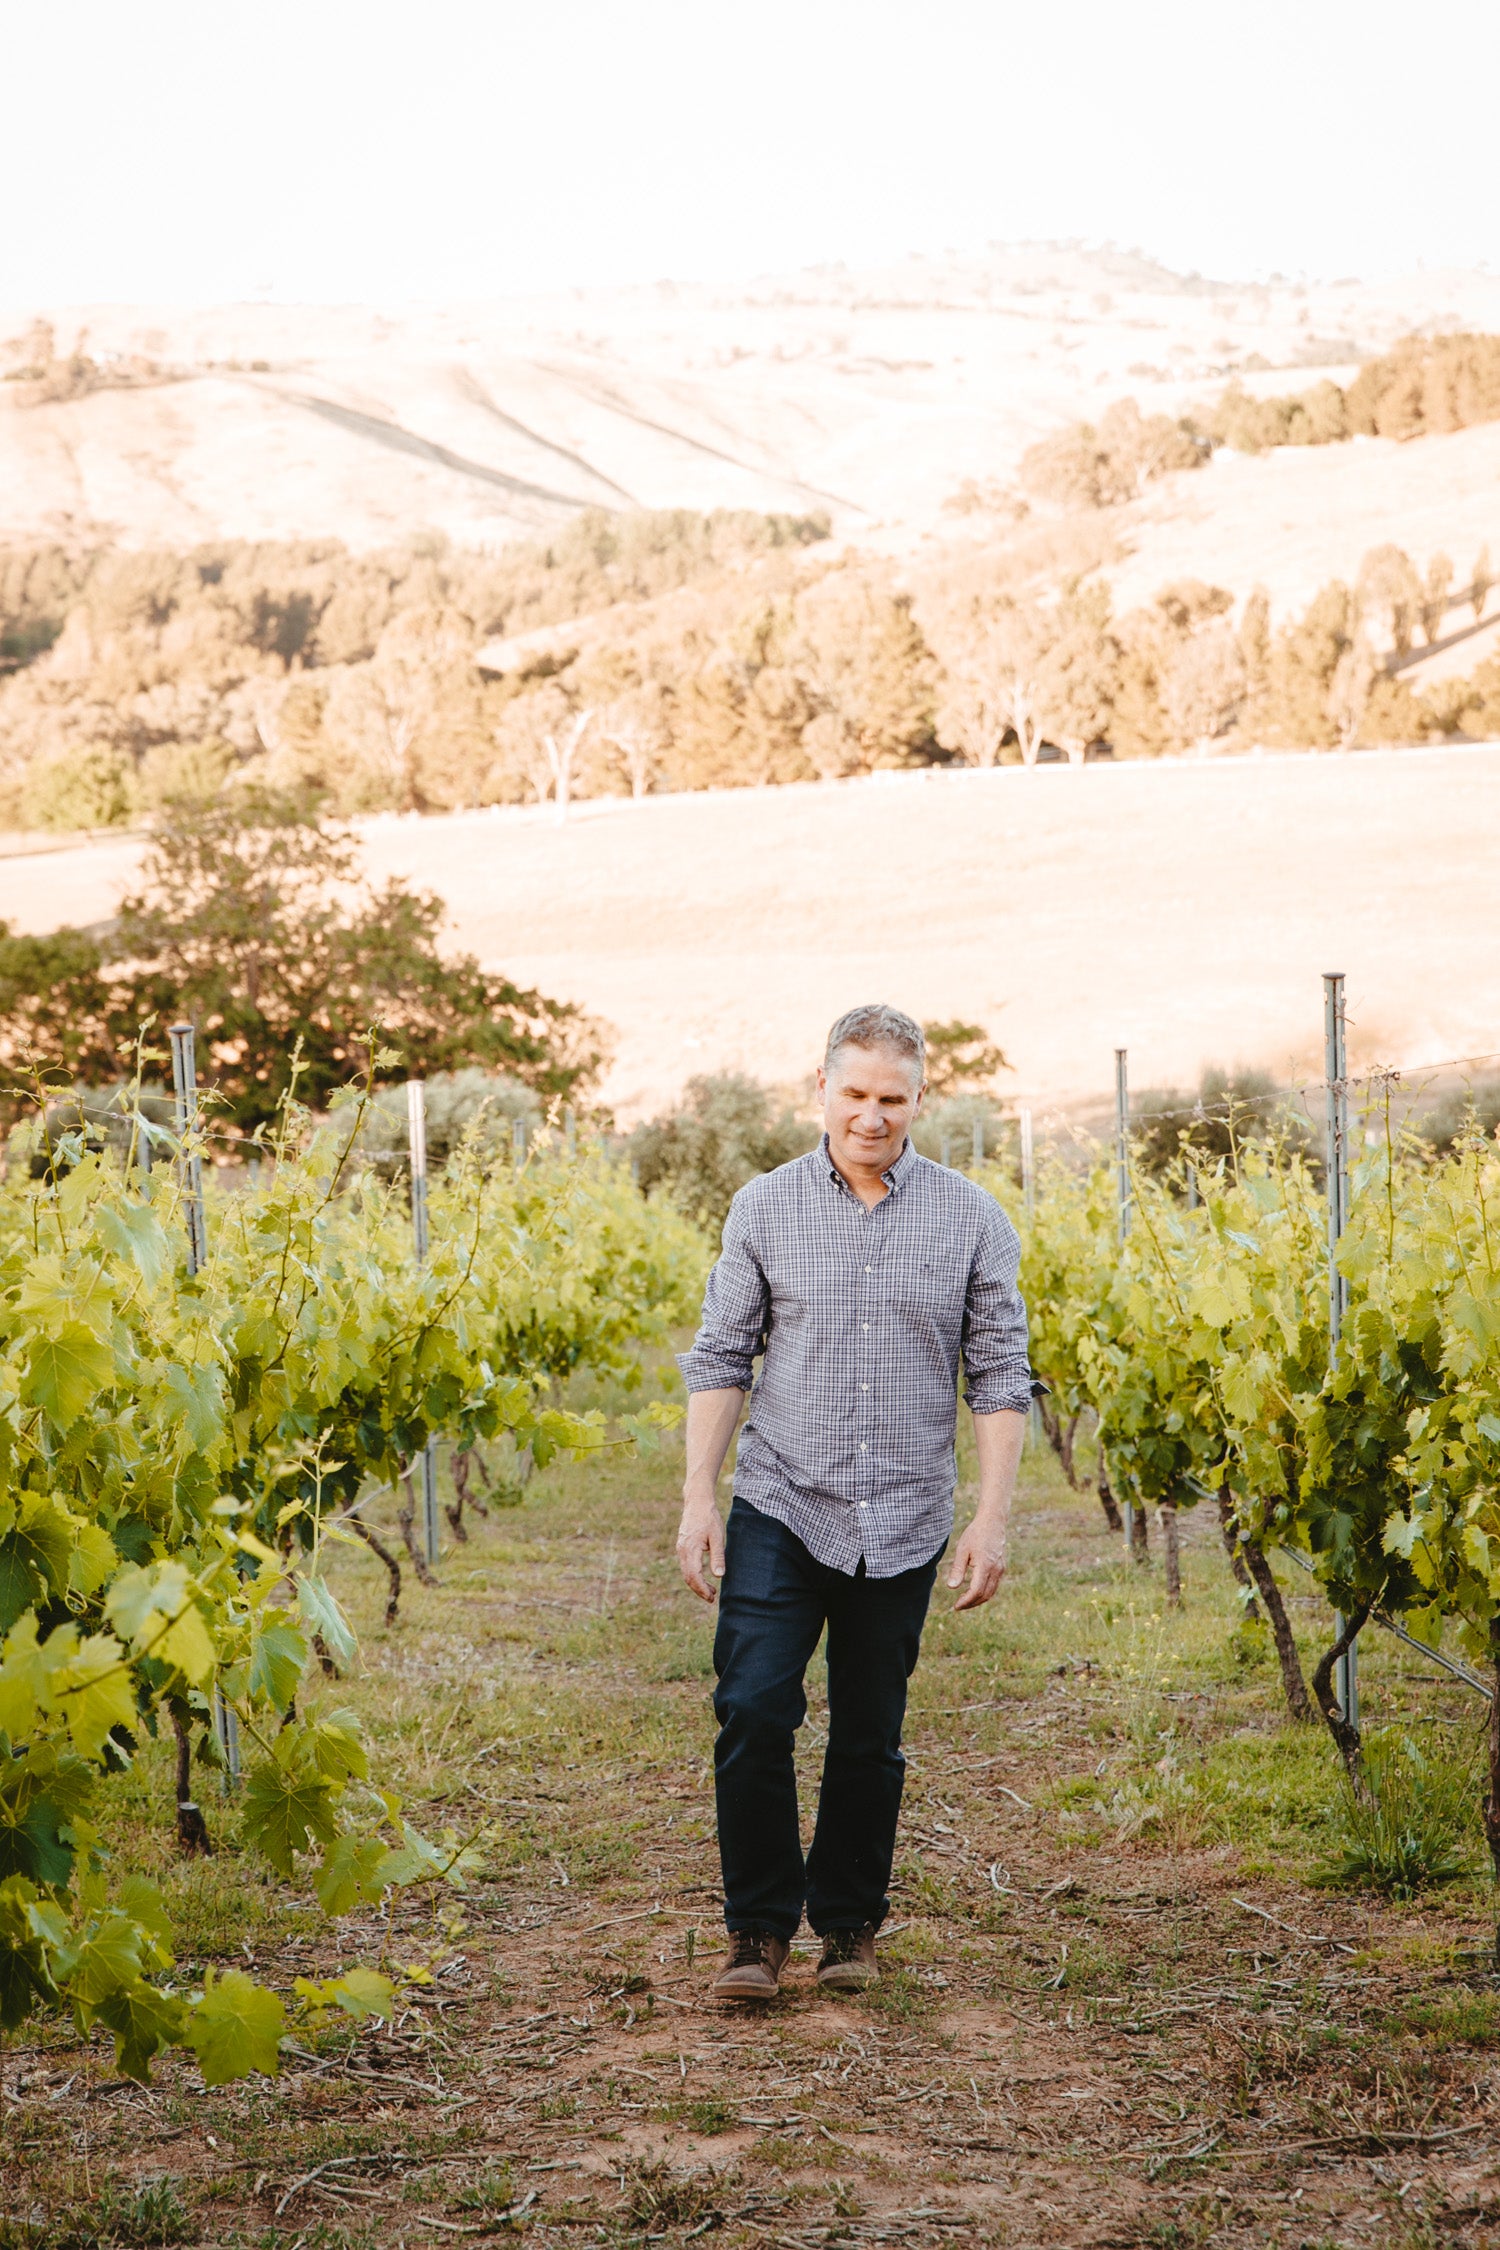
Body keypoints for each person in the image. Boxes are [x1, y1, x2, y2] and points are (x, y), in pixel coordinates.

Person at [675, 1002, 1033, 2000]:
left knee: (870, 1732)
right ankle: (756, 1933)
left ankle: (847, 1930)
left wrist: (992, 1517)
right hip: (783, 1501)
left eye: (892, 1098)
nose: (871, 1117)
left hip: (907, 1512)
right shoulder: (764, 1209)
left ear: (921, 1099)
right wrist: (700, 1496)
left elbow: (1001, 1377)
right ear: (821, 1093)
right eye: (855, 1095)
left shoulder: (971, 1217)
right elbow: (720, 1359)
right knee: (752, 1708)